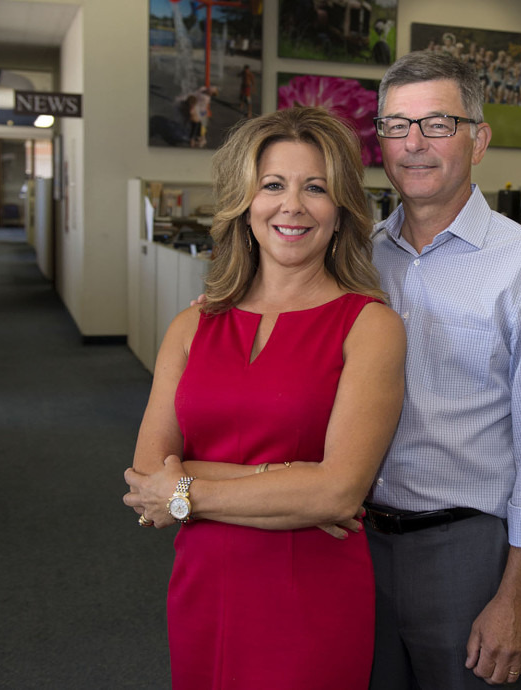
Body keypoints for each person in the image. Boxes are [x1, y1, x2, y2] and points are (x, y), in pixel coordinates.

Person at [122, 106, 406, 689]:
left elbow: (338, 491)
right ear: (244, 202)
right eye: (272, 185)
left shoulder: (370, 325)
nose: (292, 205)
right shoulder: (191, 326)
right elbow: (147, 477)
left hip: (310, 593)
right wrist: (288, 478)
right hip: (203, 584)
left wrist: (184, 492)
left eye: (316, 188)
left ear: (341, 208)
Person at [366, 50, 521, 688]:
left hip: (464, 550)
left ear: (478, 139)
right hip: (355, 541)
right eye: (396, 125)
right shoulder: (358, 255)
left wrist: (516, 599)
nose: (413, 145)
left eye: (438, 124)